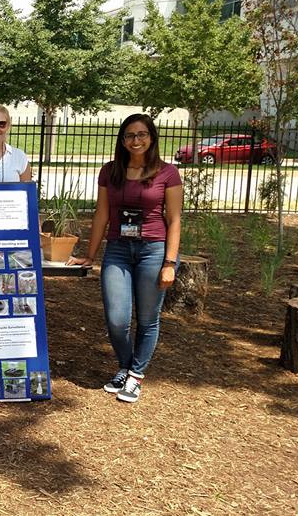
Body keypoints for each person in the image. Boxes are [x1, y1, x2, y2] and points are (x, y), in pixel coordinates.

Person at [68, 113, 182, 403]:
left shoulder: (167, 173)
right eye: (130, 135)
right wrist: (90, 255)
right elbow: (102, 214)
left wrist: (169, 262)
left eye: (142, 134)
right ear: (122, 140)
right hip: (118, 249)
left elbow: (175, 219)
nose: (136, 140)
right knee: (117, 319)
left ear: (152, 137)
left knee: (147, 318)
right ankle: (126, 364)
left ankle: (135, 375)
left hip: (154, 249)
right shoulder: (110, 171)